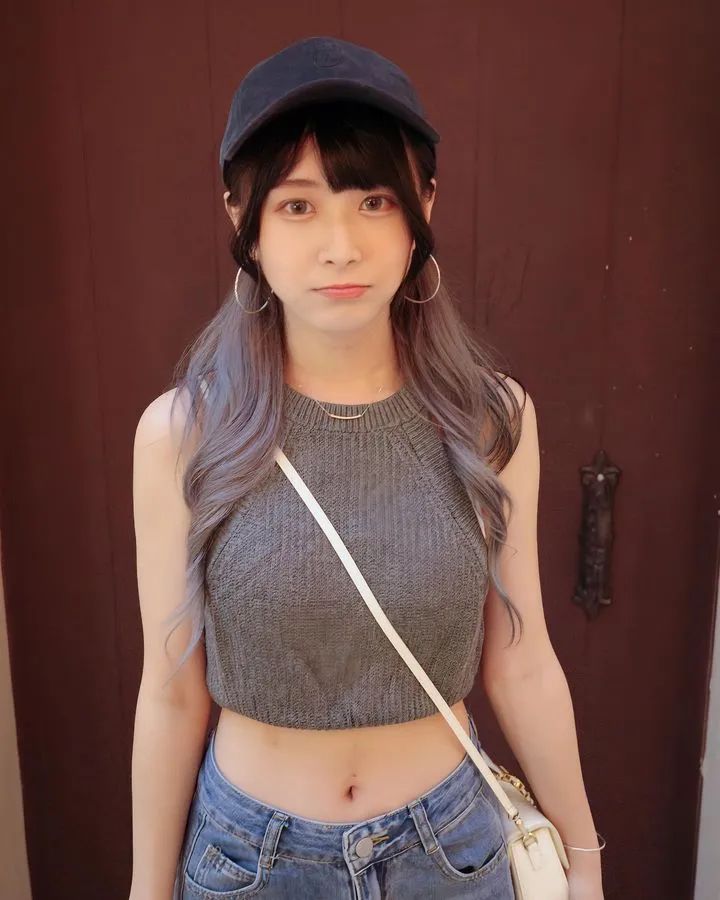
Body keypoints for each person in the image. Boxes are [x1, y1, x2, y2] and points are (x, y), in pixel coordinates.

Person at [129, 36, 605, 900]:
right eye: (297, 206)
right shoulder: (184, 434)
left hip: (452, 853)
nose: (340, 245)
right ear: (242, 217)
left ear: (424, 204)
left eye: (374, 200)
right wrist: (146, 889)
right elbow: (170, 694)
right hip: (251, 862)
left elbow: (523, 662)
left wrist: (585, 859)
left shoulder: (489, 418)